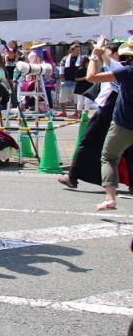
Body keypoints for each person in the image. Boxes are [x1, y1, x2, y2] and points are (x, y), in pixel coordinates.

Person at [59, 40, 129, 191]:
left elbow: (91, 76)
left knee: (90, 142)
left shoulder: (123, 70)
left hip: (111, 109)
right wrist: (100, 51)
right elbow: (109, 61)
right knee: (127, 148)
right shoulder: (122, 68)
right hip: (120, 111)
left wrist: (94, 56)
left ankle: (73, 176)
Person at [83, 37, 133, 211]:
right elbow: (114, 66)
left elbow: (91, 77)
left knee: (109, 158)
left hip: (124, 124)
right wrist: (103, 54)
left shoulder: (128, 72)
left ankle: (111, 198)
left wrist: (94, 56)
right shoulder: (124, 71)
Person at [58, 43, 85, 118]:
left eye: (79, 50)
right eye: (76, 50)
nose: (78, 52)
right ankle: (63, 112)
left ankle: (76, 113)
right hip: (66, 80)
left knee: (76, 99)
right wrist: (61, 76)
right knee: (62, 97)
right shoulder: (65, 58)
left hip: (76, 81)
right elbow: (61, 68)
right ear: (71, 50)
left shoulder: (82, 59)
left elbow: (84, 68)